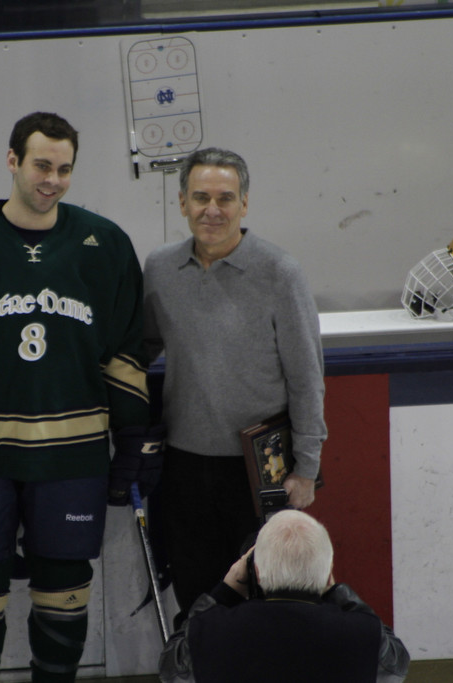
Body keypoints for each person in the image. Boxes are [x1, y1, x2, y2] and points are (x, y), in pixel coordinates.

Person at [0, 111, 163, 683]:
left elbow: (123, 354)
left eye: (64, 169)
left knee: (64, 587)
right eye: (42, 165)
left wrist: (132, 439)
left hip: (71, 457)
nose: (53, 180)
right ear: (12, 161)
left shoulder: (104, 244)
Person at [143, 147, 327, 625]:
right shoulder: (159, 269)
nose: (213, 210)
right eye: (200, 197)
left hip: (262, 473)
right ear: (181, 202)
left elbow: (307, 377)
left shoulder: (280, 272)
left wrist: (307, 467)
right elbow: (138, 350)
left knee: (267, 603)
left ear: (244, 203)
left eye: (225, 198)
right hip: (183, 466)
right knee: (196, 598)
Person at [159, 509, 409, 683]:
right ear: (327, 572)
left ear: (256, 572)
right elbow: (396, 666)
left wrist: (225, 592)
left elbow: (170, 670)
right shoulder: (362, 633)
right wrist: (338, 593)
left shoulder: (210, 630)